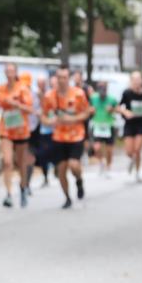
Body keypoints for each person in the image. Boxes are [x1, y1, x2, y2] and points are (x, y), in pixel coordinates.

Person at [41, 66, 93, 209]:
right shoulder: (49, 96)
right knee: (61, 169)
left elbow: (87, 112)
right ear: (55, 79)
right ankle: (67, 197)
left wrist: (73, 119)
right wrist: (49, 122)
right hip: (58, 137)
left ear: (68, 78)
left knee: (73, 164)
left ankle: (79, 180)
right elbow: (44, 117)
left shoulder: (78, 94)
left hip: (76, 135)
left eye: (64, 77)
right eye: (59, 77)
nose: (62, 80)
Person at [0, 63, 34, 208]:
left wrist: (16, 105)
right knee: (7, 161)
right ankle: (9, 194)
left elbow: (30, 109)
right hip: (6, 129)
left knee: (21, 163)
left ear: (16, 72)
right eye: (7, 70)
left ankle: (23, 188)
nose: (9, 73)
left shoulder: (23, 88)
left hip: (21, 129)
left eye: (12, 71)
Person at [118, 71, 142, 181]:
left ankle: (138, 172)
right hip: (129, 124)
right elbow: (119, 107)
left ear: (141, 81)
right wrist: (126, 113)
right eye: (134, 80)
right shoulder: (127, 93)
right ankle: (132, 160)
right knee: (129, 151)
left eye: (138, 79)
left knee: (137, 149)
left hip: (141, 123)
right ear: (131, 81)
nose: (137, 82)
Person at [89, 81, 118, 177]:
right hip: (97, 125)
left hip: (109, 126)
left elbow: (118, 109)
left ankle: (108, 167)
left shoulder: (112, 99)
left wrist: (112, 110)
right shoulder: (93, 98)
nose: (102, 90)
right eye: (100, 87)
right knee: (97, 147)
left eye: (104, 88)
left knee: (109, 150)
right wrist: (90, 111)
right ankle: (101, 163)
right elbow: (87, 109)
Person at [32, 75, 55, 187]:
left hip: (54, 130)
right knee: (42, 154)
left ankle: (57, 169)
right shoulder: (34, 96)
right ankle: (45, 177)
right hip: (41, 130)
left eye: (43, 83)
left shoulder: (51, 94)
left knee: (54, 153)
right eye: (39, 83)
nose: (41, 85)